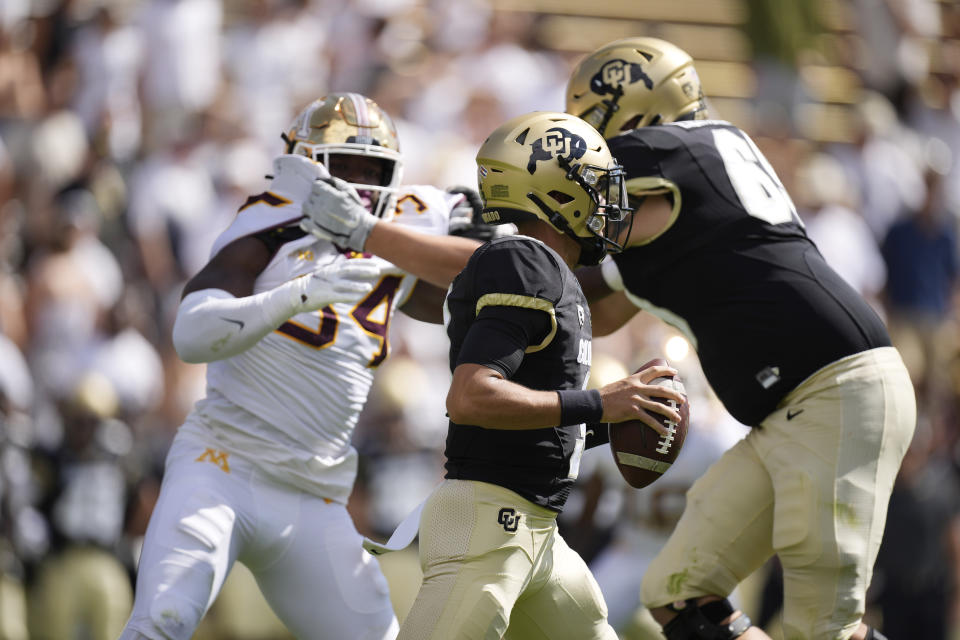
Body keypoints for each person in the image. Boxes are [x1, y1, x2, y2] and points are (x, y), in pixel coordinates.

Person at [565, 37, 916, 640]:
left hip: (832, 393)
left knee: (821, 627)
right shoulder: (692, 182)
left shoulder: (663, 153)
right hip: (794, 408)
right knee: (676, 590)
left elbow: (567, 254)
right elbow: (593, 301)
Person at [119, 92, 474, 640]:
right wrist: (299, 294)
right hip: (221, 465)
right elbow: (191, 334)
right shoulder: (270, 223)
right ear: (306, 165)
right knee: (161, 625)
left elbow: (489, 274)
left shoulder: (403, 224)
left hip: (313, 492)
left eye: (372, 169)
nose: (360, 185)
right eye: (345, 166)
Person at [395, 110, 685, 640]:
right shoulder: (526, 261)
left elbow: (536, 413)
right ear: (555, 193)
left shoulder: (550, 272)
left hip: (539, 532)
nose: (608, 203)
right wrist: (599, 404)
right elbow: (471, 397)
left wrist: (621, 416)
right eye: (596, 187)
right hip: (488, 524)